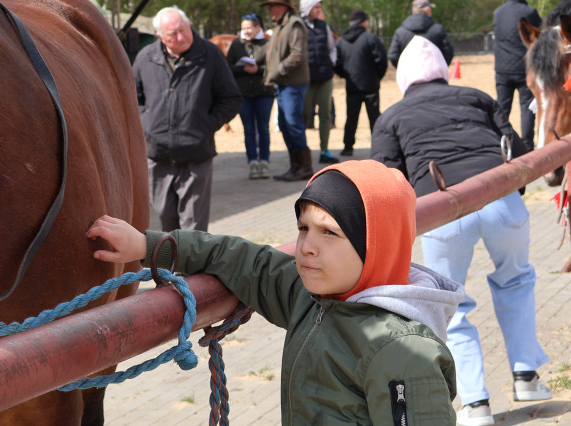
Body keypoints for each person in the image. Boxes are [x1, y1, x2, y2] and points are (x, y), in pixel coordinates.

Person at [87, 159, 463, 425]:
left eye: (329, 232)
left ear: (376, 245)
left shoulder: (403, 353)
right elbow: (241, 258)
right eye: (303, 229)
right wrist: (148, 246)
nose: (307, 247)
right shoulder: (309, 296)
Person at [371, 36, 552, 426]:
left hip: (441, 206)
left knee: (452, 306)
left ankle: (476, 404)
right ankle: (526, 377)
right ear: (442, 71)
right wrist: (512, 198)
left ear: (404, 79)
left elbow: (385, 182)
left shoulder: (391, 116)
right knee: (516, 279)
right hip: (500, 195)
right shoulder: (478, 97)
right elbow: (517, 150)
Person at [133, 7, 242, 231]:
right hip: (158, 156)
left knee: (193, 227)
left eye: (184, 30)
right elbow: (132, 98)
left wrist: (206, 125)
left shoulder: (210, 54)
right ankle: (171, 267)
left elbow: (231, 98)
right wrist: (147, 124)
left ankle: (190, 268)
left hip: (196, 155)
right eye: (172, 34)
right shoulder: (146, 58)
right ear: (160, 37)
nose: (181, 37)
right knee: (165, 219)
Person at [260, 0, 311, 181]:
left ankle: (304, 167)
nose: (271, 10)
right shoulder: (281, 26)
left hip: (293, 83)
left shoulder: (294, 25)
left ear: (283, 7)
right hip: (283, 83)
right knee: (285, 123)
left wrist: (279, 69)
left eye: (273, 6)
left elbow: (297, 54)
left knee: (293, 124)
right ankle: (295, 166)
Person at [493, 0, 542, 151]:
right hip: (524, 67)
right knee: (527, 106)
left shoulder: (497, 13)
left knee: (502, 108)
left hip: (502, 69)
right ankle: (528, 145)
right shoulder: (529, 12)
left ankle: (503, 144)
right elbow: (539, 36)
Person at [227, 13, 275, 179]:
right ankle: (252, 163)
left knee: (263, 128)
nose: (246, 31)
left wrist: (258, 69)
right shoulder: (236, 45)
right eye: (243, 28)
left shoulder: (268, 44)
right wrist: (243, 69)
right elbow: (228, 67)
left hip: (264, 93)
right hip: (244, 94)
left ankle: (265, 162)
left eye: (249, 28)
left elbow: (273, 66)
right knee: (248, 129)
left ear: (257, 28)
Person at [334, 9, 388, 157]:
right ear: (363, 22)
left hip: (352, 86)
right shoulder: (371, 39)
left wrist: (345, 75)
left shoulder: (341, 41)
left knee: (351, 117)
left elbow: (336, 63)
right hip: (371, 86)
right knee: (375, 118)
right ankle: (379, 148)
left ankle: (348, 147)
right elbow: (382, 61)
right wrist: (377, 77)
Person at [299, 0, 339, 165]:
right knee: (304, 115)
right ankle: (301, 151)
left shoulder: (323, 26)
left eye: (320, 7)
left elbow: (332, 48)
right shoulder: (298, 27)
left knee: (325, 115)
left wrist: (331, 62)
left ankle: (325, 151)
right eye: (316, 7)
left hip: (325, 77)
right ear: (307, 8)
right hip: (306, 80)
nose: (319, 11)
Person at [388, 0, 454, 67]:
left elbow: (393, 55)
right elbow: (448, 53)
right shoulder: (438, 30)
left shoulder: (400, 32)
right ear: (427, 11)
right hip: (433, 75)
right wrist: (438, 68)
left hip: (409, 76)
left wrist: (405, 69)